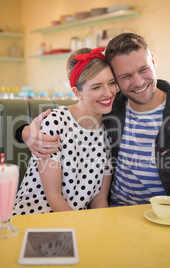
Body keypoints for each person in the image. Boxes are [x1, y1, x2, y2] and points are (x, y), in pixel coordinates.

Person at [16, 33, 170, 206]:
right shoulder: (111, 108)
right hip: (115, 217)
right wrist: (25, 131)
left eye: (143, 69)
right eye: (125, 76)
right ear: (115, 80)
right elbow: (67, 116)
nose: (138, 82)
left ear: (153, 61)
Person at [13, 47, 116, 215]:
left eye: (111, 83)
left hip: (75, 222)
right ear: (77, 92)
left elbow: (99, 199)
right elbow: (54, 197)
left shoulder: (109, 132)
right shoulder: (56, 122)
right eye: (96, 87)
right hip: (34, 219)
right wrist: (80, 231)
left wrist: (101, 232)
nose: (108, 92)